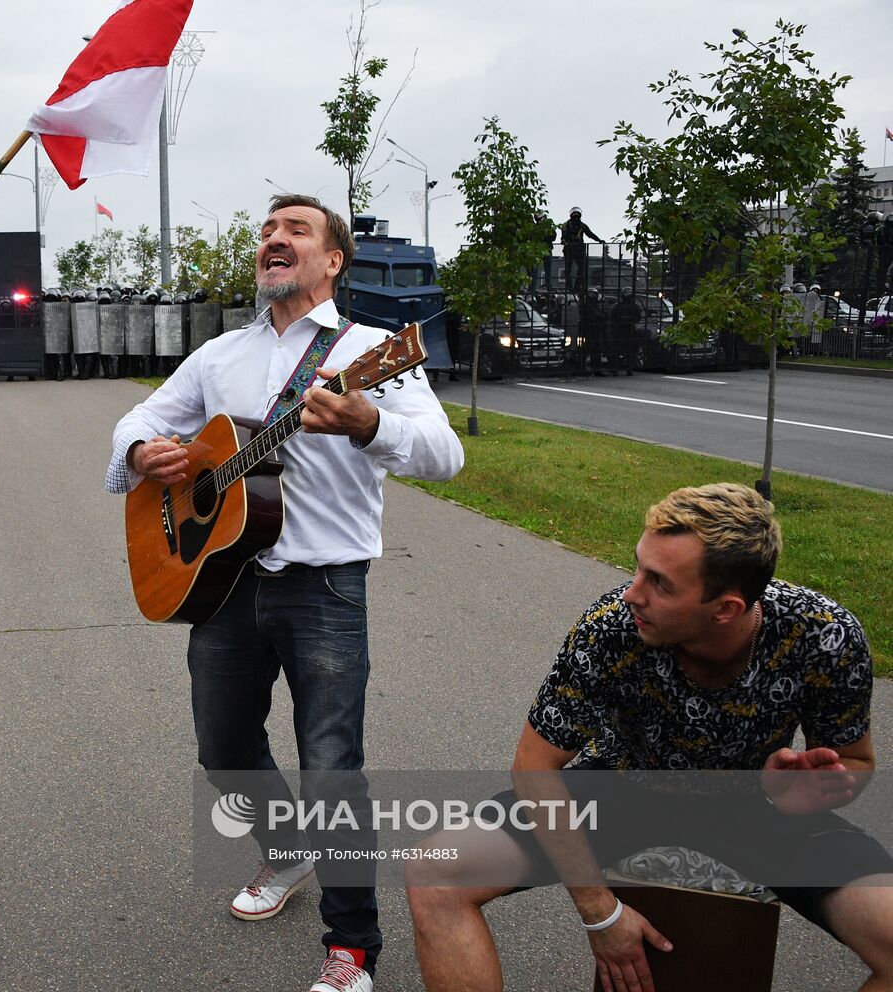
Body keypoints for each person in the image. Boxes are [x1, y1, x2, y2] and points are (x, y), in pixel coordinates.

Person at [105, 194, 464, 992]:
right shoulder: (219, 355)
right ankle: (287, 845)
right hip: (224, 584)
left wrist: (371, 423)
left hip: (325, 586)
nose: (273, 239)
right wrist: (142, 453)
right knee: (223, 749)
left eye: (295, 230)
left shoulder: (373, 350)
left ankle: (352, 950)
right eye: (268, 230)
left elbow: (444, 454)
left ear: (333, 259)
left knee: (333, 768)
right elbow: (140, 415)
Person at [406, 483, 892, 992]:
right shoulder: (612, 627)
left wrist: (810, 792)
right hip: (623, 789)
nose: (633, 592)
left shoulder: (823, 635)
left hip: (758, 805)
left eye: (660, 582)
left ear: (725, 608)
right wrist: (600, 913)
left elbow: (855, 761)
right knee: (434, 874)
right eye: (638, 566)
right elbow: (534, 765)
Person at [560, 207, 604, 293]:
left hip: (579, 249)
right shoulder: (566, 224)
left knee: (582, 267)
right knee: (568, 269)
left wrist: (599, 240)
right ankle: (569, 287)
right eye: (574, 214)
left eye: (577, 214)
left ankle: (577, 286)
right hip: (569, 248)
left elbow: (590, 234)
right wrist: (564, 241)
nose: (576, 216)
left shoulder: (582, 225)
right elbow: (564, 235)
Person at [608, 290, 641, 376]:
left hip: (628, 330)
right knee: (617, 350)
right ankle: (616, 369)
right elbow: (612, 318)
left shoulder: (633, 307)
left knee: (629, 350)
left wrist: (628, 320)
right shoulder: (618, 306)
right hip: (620, 330)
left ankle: (627, 368)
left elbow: (638, 317)